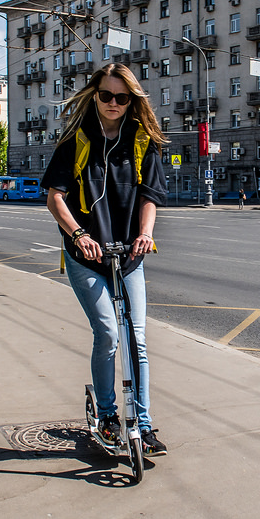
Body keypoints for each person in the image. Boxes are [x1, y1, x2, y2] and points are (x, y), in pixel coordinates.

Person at [42, 63, 169, 457]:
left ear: (132, 100)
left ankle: (144, 425)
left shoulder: (142, 141)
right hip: (87, 255)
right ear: (94, 95)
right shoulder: (76, 140)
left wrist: (145, 235)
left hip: (129, 254)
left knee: (138, 339)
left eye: (122, 97)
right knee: (110, 334)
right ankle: (109, 417)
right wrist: (78, 235)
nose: (113, 103)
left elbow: (150, 196)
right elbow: (54, 197)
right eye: (106, 95)